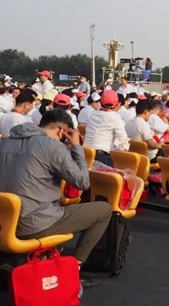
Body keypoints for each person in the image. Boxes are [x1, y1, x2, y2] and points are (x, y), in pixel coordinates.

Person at [0, 109, 112, 285]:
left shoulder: (5, 143)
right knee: (104, 210)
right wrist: (76, 147)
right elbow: (82, 182)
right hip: (31, 223)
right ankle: (74, 268)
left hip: (4, 224)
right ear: (62, 131)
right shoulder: (52, 146)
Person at [84, 90, 130, 166]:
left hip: (85, 153)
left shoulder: (92, 114)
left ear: (101, 101)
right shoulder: (114, 117)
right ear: (117, 104)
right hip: (100, 156)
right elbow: (123, 139)